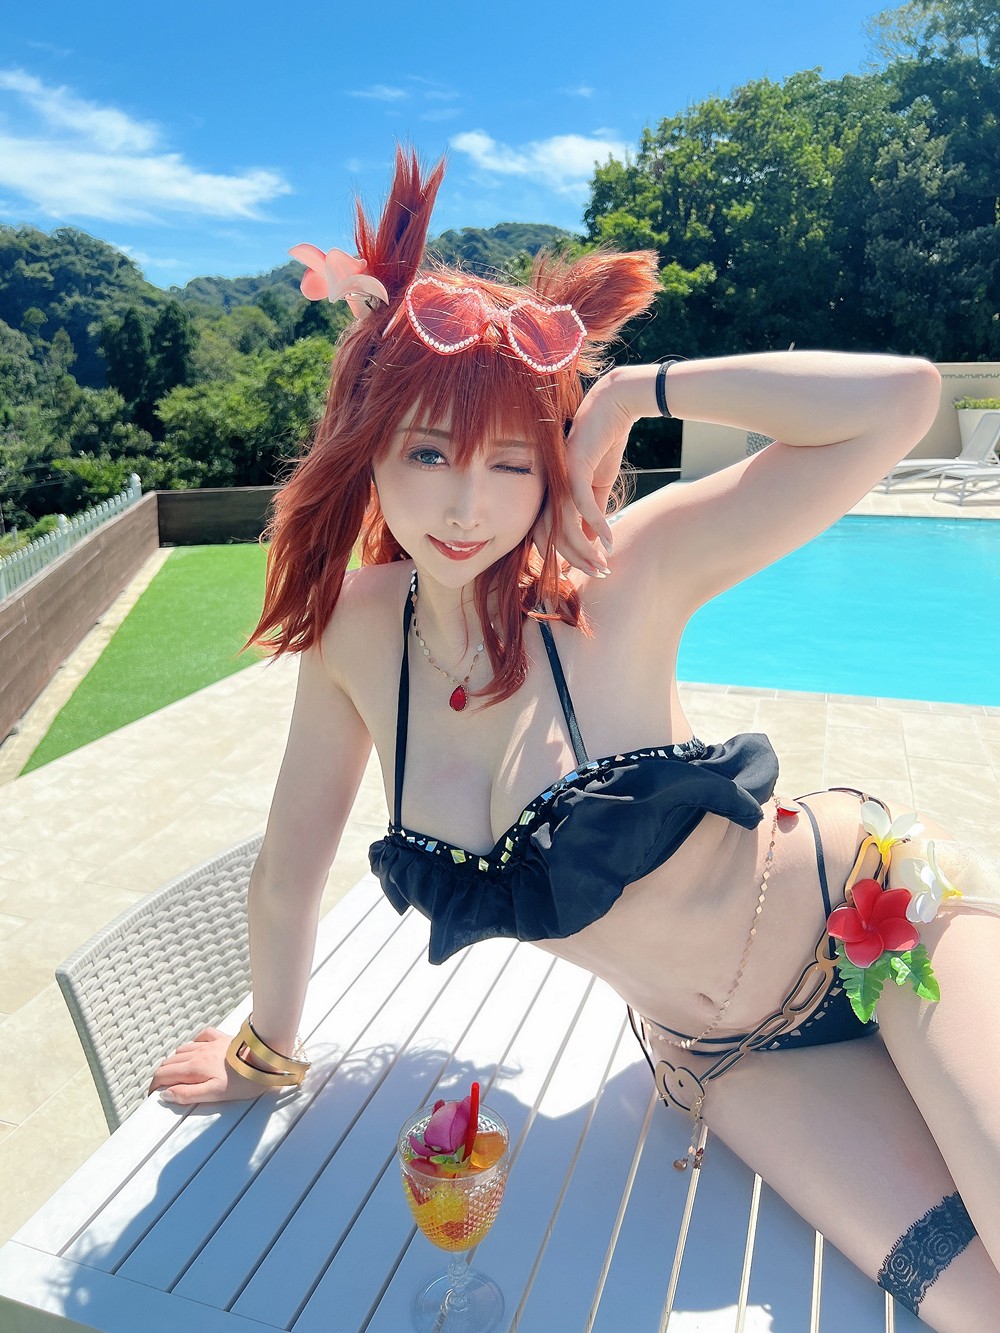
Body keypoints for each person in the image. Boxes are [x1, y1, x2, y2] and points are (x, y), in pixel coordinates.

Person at [150, 150, 1000, 1331]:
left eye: (511, 462)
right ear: (369, 447)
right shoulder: (350, 634)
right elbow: (288, 876)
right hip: (724, 1054)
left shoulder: (621, 576)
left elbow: (898, 401)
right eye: (429, 453)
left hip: (878, 915)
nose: (466, 506)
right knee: (971, 1304)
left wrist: (629, 392)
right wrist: (263, 1053)